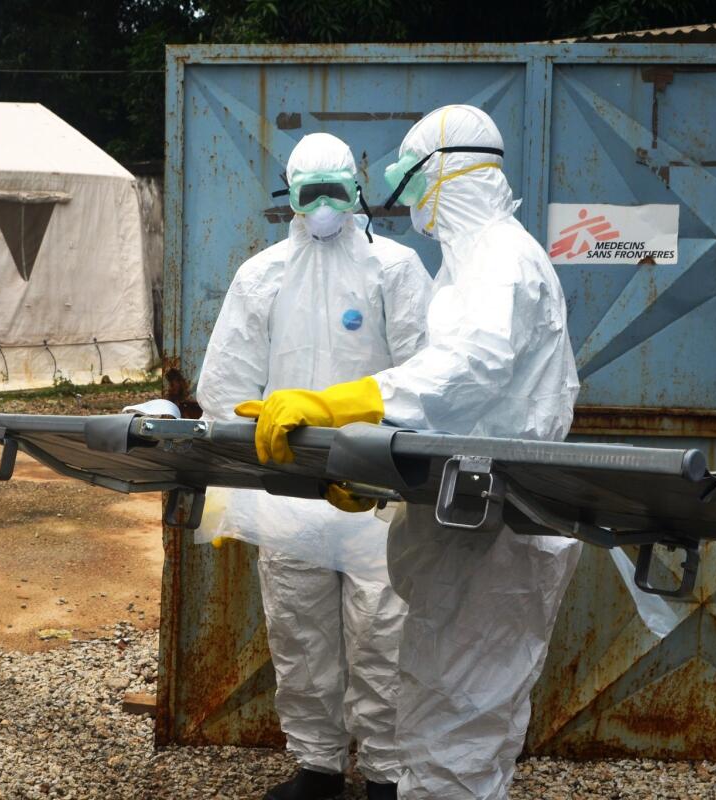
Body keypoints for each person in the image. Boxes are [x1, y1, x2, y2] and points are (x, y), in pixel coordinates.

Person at [237, 106, 582, 799]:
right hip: (466, 513)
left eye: (409, 177)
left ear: (443, 173)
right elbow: (463, 407)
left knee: (460, 720)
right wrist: (386, 475)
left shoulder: (494, 256)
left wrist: (347, 406)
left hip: (492, 526)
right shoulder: (477, 258)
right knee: (441, 706)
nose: (406, 196)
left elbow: (468, 366)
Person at [197, 132, 433, 800]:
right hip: (288, 489)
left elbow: (430, 375)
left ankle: (387, 774)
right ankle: (319, 768)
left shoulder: (397, 270)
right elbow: (227, 387)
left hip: (378, 489)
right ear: (290, 197)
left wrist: (402, 456)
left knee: (383, 634)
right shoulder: (261, 276)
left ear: (358, 188)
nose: (325, 205)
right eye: (311, 193)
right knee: (299, 633)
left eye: (336, 190)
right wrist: (234, 491)